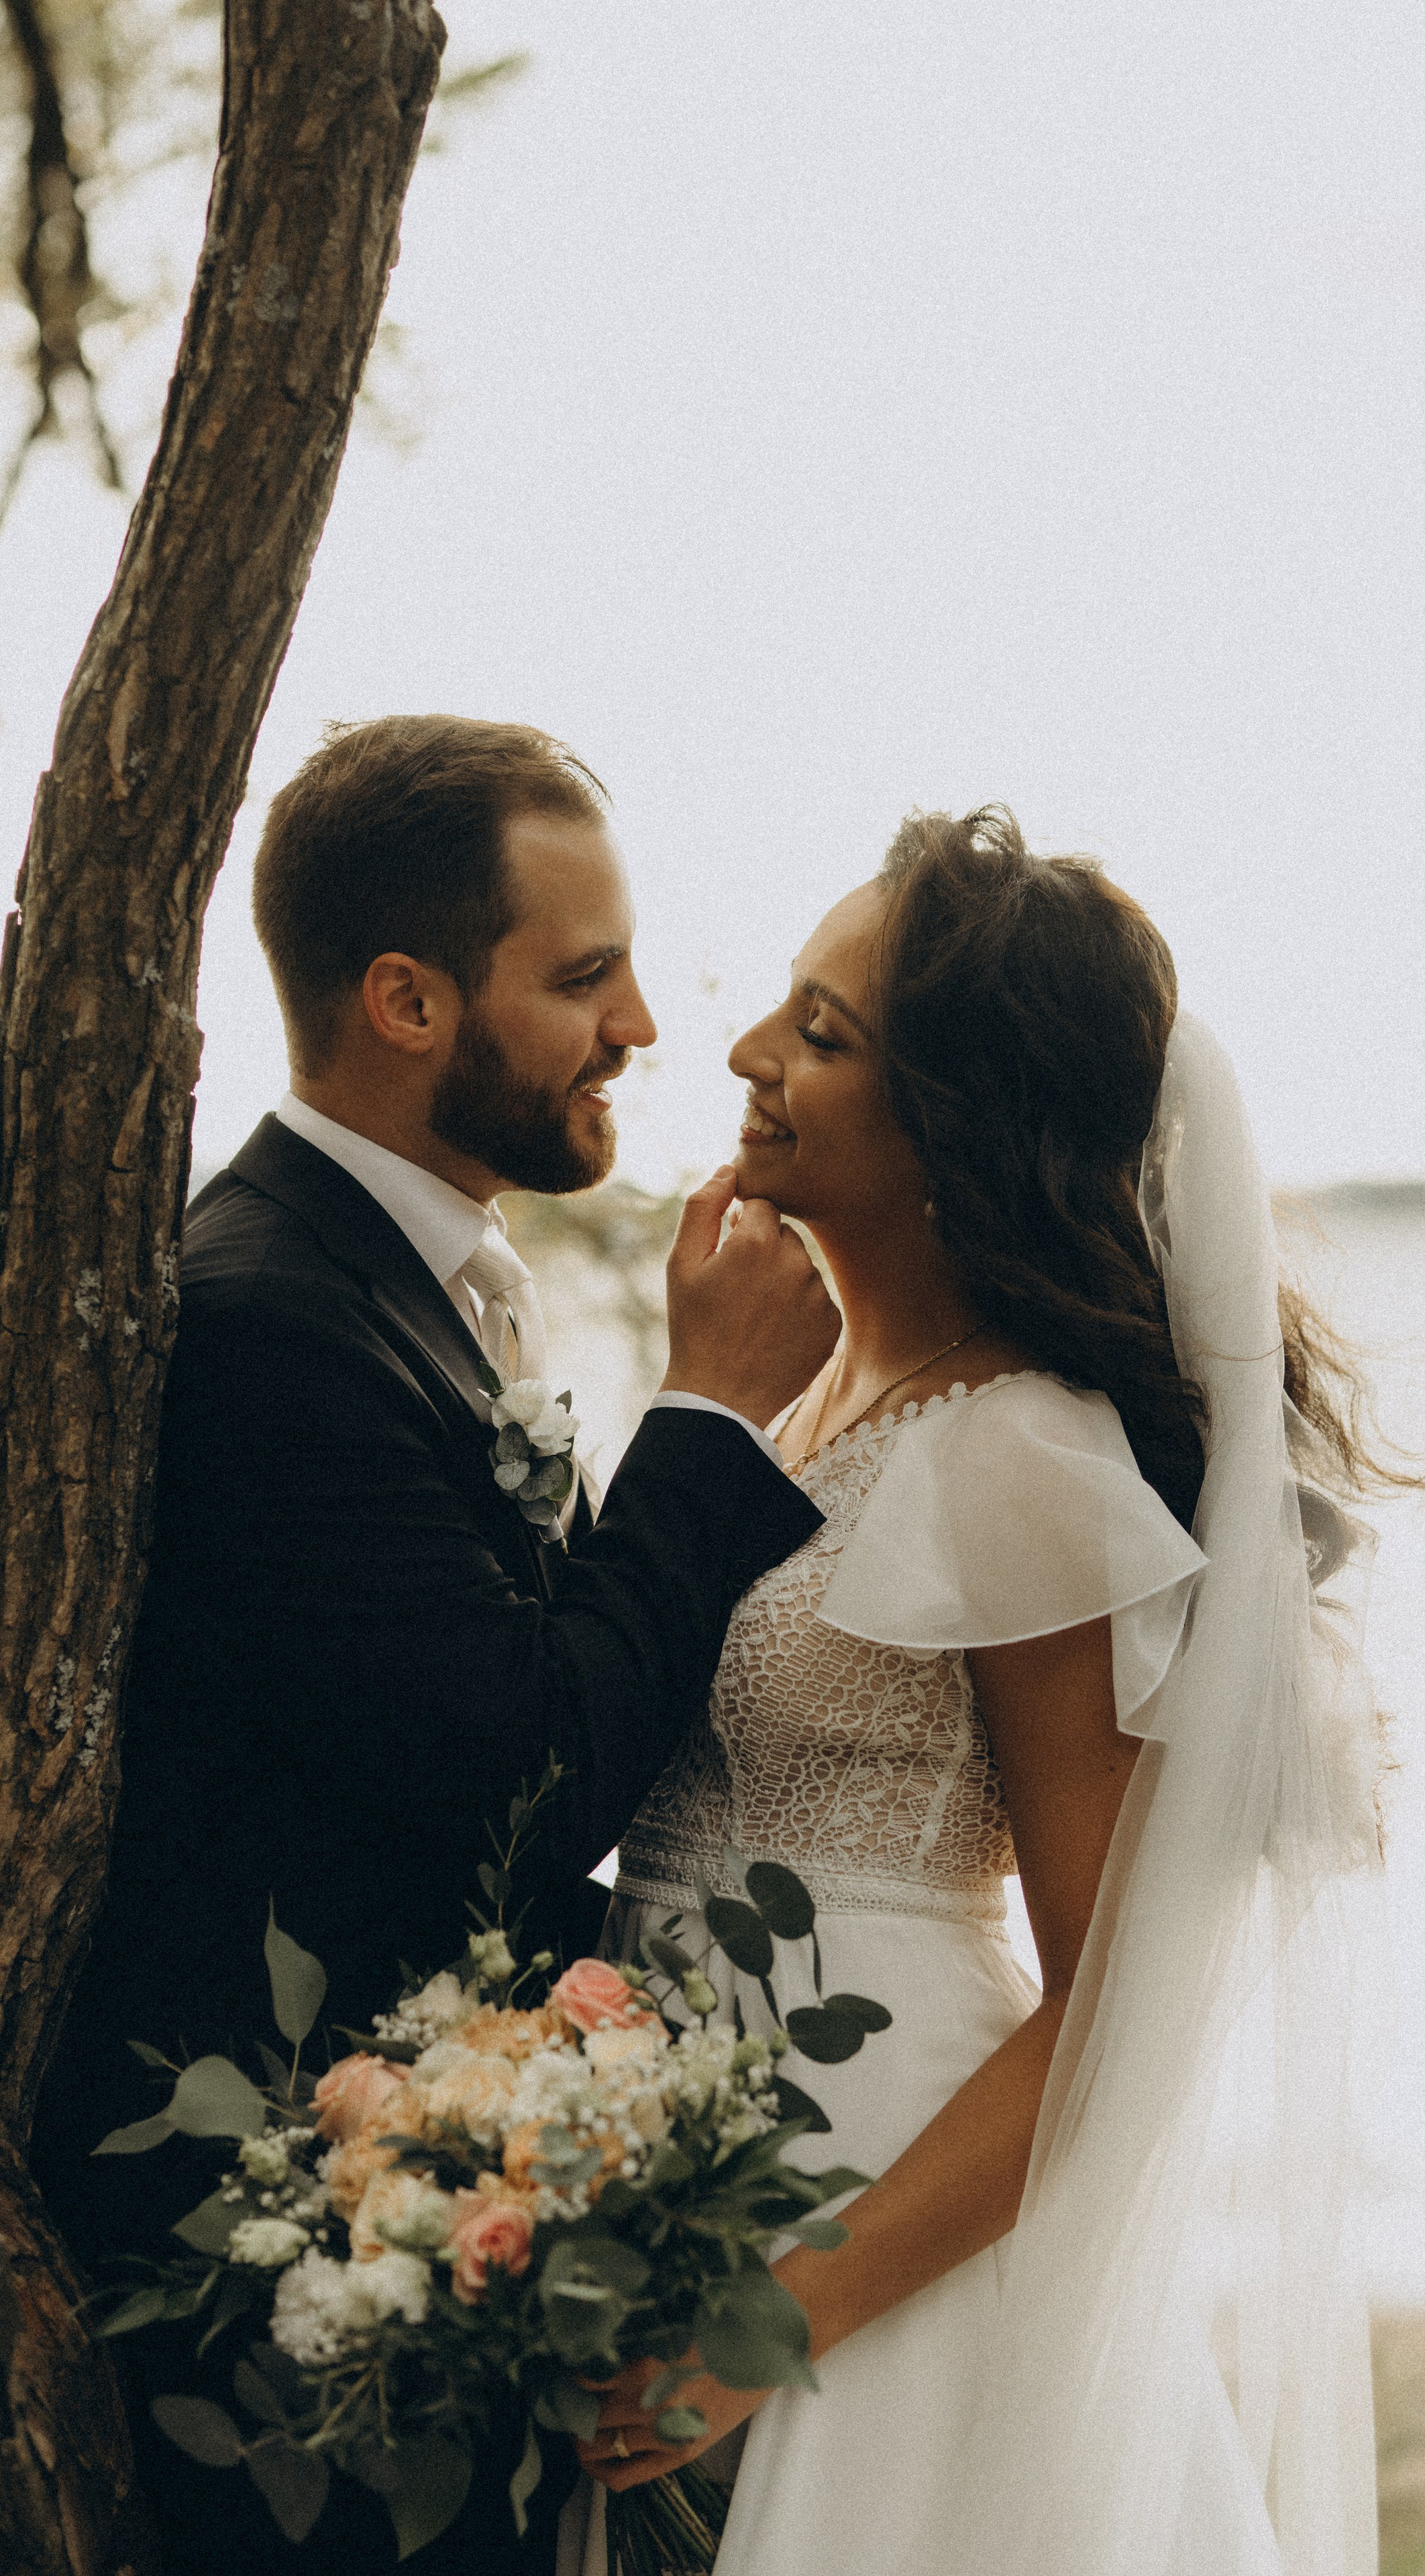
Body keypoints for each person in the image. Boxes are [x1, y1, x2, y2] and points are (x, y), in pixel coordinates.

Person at [30, 714, 840, 2575]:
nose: (641, 1021)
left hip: (432, 2236)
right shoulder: (267, 1322)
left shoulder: (397, 1277)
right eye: (582, 976)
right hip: (301, 2313)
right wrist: (705, 1423)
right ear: (404, 999)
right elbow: (521, 1771)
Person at [567, 806, 1392, 2575]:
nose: (746, 1054)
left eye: (823, 1033)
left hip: (885, 2227)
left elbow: (1118, 2005)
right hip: (666, 2178)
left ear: (954, 1122)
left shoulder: (1018, 1455)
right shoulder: (786, 1416)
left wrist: (780, 2317)